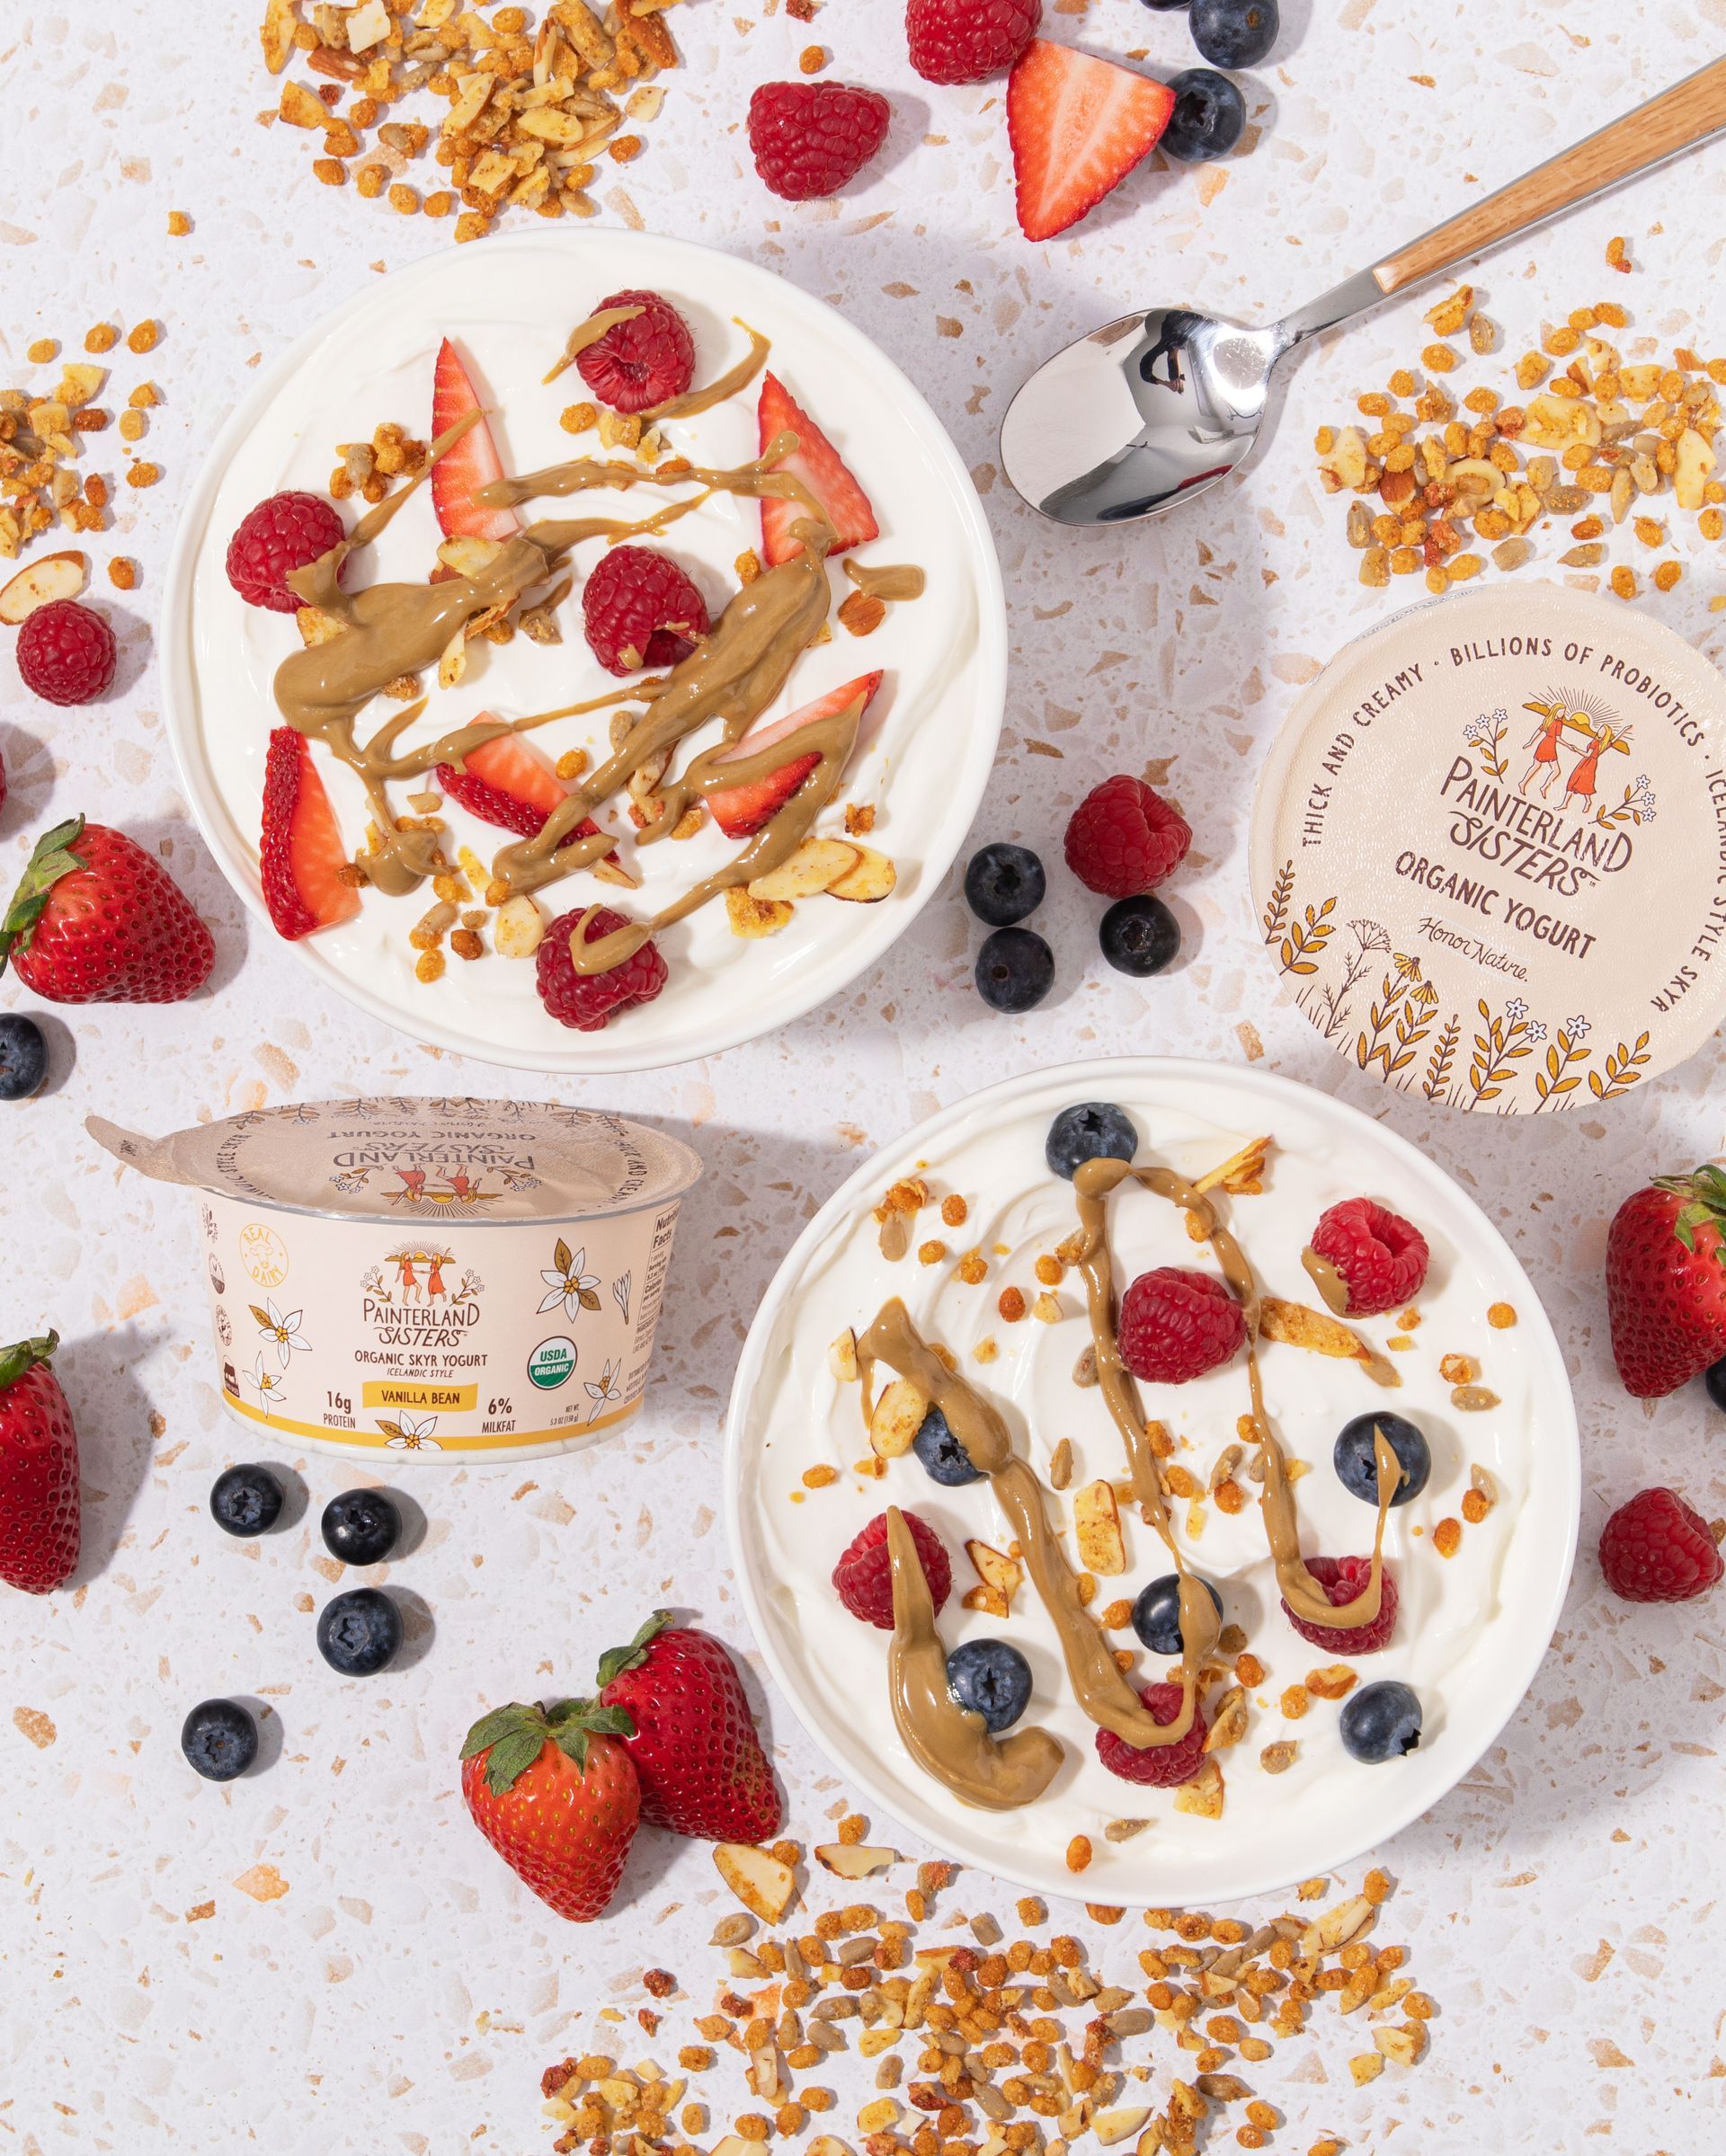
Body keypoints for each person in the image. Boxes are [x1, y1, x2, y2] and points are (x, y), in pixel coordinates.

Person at [1518, 698, 1570, 798]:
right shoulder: (1555, 722)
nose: (1563, 713)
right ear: (1556, 711)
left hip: (1547, 745)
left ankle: (1537, 786)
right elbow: (1557, 738)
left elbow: (1540, 731)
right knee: (1548, 769)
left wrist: (1531, 742)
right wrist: (1568, 745)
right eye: (1561, 711)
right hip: (1548, 746)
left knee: (1547, 769)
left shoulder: (1554, 721)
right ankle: (1527, 784)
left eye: (1563, 712)